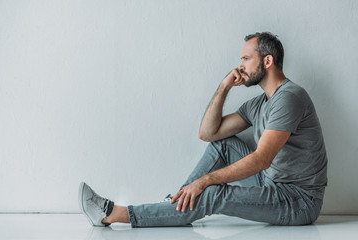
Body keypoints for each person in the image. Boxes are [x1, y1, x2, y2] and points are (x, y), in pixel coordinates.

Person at [78, 32, 327, 227]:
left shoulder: (289, 97)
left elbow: (262, 159)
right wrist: (224, 86)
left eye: (246, 59)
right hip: (271, 181)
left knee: (212, 193)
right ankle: (176, 205)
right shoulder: (260, 103)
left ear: (268, 61)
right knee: (223, 145)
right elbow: (209, 134)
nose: (240, 66)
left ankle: (113, 214)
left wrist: (204, 181)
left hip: (298, 201)